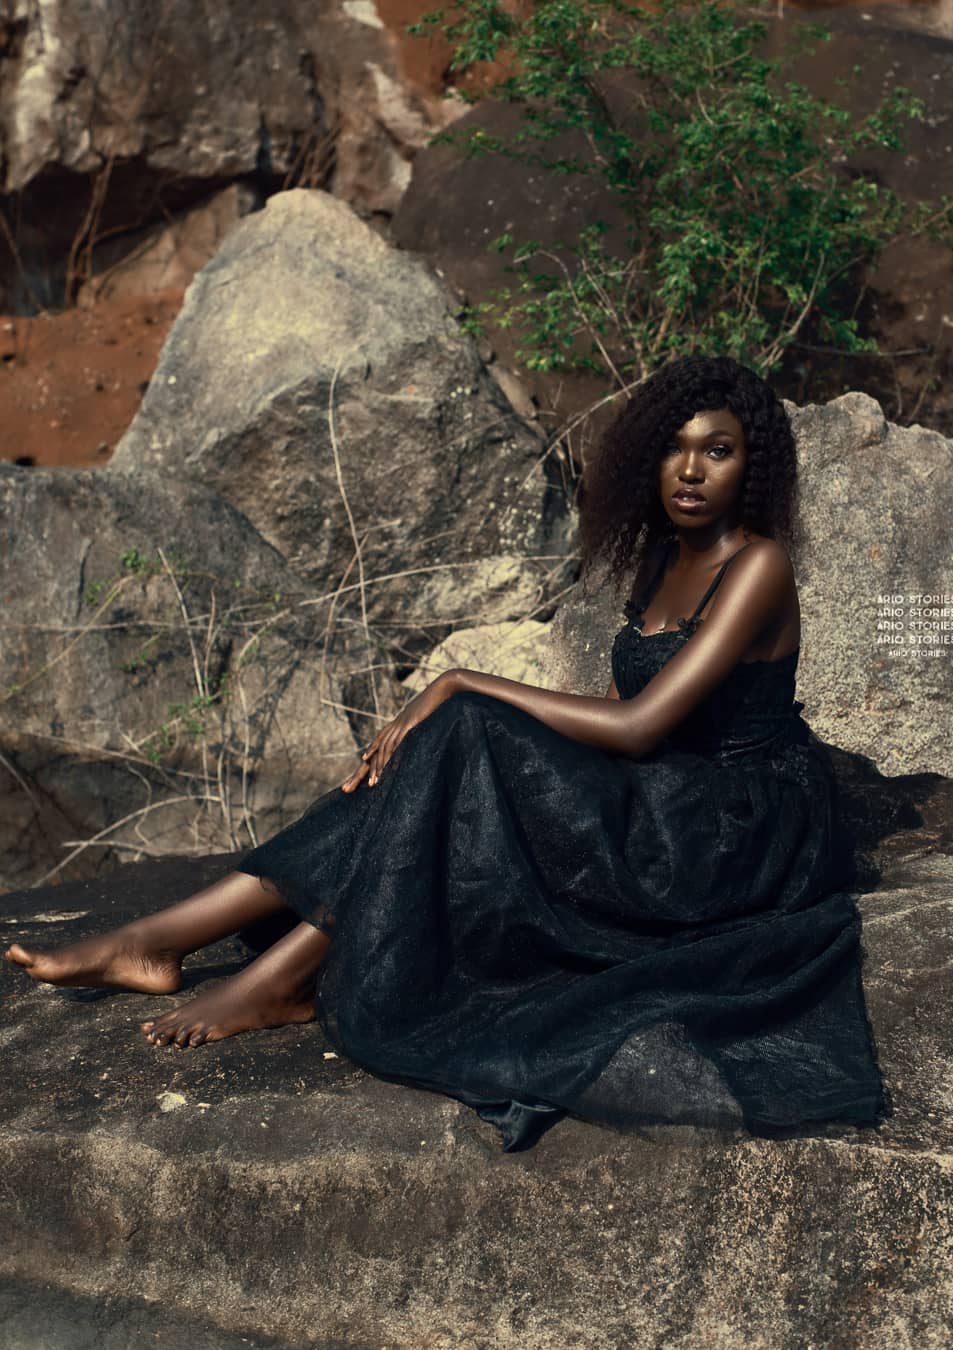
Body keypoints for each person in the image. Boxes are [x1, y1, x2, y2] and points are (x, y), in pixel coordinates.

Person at [5, 354, 890, 1153]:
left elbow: (639, 726)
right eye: (674, 448)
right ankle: (157, 941)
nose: (690, 471)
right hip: (666, 795)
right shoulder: (664, 557)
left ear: (751, 466)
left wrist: (464, 681)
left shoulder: (758, 565)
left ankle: (267, 972)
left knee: (466, 728)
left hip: (733, 831)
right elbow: (631, 727)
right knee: (447, 767)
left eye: (718, 451)